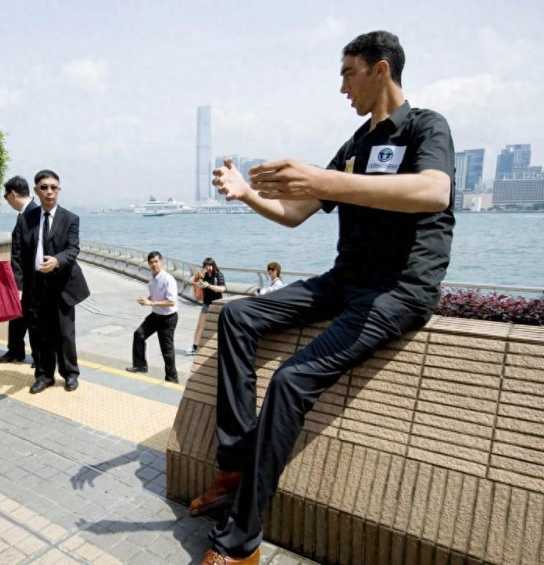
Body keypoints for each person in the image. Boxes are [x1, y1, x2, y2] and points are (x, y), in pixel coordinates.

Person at [195, 31, 455, 564]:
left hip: (398, 290)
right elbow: (294, 214)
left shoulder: (426, 127)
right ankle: (237, 465)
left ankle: (242, 543)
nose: (342, 88)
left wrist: (324, 180)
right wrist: (246, 193)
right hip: (345, 280)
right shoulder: (356, 145)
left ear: (380, 70)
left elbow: (434, 191)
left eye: (347, 73)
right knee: (236, 317)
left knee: (290, 380)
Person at [11, 169, 90, 394]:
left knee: (65, 333)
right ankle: (44, 375)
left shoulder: (70, 219)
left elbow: (73, 249)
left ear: (59, 190)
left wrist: (57, 260)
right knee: (39, 333)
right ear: (36, 190)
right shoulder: (25, 219)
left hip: (62, 284)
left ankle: (70, 373)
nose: (49, 192)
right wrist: (18, 286)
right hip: (36, 286)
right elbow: (17, 253)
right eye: (44, 187)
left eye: (53, 187)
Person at [0, 176, 38, 365]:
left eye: (6, 197)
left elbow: (26, 251)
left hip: (32, 280)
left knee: (34, 320)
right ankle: (15, 351)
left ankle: (39, 357)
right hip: (22, 279)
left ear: (12, 194)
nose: (7, 201)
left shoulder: (34, 213)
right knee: (17, 317)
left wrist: (19, 285)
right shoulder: (24, 213)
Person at [125, 251, 179, 383]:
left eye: (156, 261)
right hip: (156, 315)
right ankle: (140, 365)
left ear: (161, 262)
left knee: (166, 350)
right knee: (139, 334)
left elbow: (172, 302)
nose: (154, 264)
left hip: (168, 318)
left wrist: (151, 303)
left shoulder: (168, 279)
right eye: (151, 262)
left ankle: (172, 379)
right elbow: (155, 296)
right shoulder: (153, 279)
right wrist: (147, 299)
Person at [189, 257, 226, 355]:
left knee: (219, 328)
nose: (208, 268)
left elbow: (222, 289)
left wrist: (208, 286)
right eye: (206, 266)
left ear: (213, 266)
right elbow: (192, 281)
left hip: (217, 304)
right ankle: (195, 347)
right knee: (200, 326)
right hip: (206, 304)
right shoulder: (203, 275)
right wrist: (199, 276)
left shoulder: (218, 275)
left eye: (210, 266)